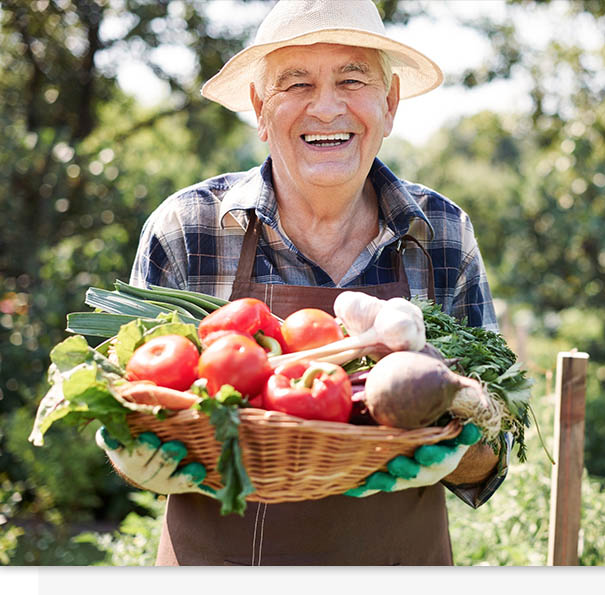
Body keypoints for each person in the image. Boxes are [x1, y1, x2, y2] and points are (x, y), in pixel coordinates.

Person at [102, 0, 510, 565]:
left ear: (389, 105)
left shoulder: (442, 233)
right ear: (259, 109)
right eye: (296, 83)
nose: (325, 107)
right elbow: (129, 413)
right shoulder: (187, 228)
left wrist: (454, 444)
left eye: (352, 79)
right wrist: (136, 452)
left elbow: (495, 446)